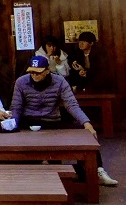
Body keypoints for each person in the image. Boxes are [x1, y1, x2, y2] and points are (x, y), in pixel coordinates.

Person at [11, 54, 117, 186]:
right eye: (31, 72)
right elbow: (16, 107)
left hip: (52, 121)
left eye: (38, 72)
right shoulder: (21, 82)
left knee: (85, 135)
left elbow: (71, 104)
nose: (34, 75)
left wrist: (86, 123)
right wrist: (13, 125)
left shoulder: (59, 81)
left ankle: (97, 170)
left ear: (47, 71)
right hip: (28, 121)